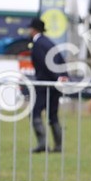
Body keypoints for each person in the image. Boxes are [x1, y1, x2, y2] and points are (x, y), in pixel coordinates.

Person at [28, 17, 66, 153]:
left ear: (34, 30)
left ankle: (42, 143)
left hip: (45, 84)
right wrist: (62, 77)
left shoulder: (38, 44)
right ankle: (58, 145)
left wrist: (54, 78)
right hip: (56, 84)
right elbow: (60, 60)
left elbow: (44, 64)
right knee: (52, 114)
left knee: (35, 113)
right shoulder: (49, 43)